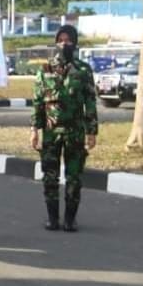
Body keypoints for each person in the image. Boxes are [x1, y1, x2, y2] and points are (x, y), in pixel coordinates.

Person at [30, 24, 97, 232]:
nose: (64, 43)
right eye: (60, 39)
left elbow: (90, 101)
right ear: (55, 42)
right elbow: (38, 102)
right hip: (51, 133)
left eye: (68, 40)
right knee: (50, 176)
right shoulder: (45, 70)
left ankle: (70, 219)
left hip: (75, 132)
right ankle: (52, 218)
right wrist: (34, 129)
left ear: (74, 43)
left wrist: (92, 131)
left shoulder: (84, 70)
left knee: (74, 177)